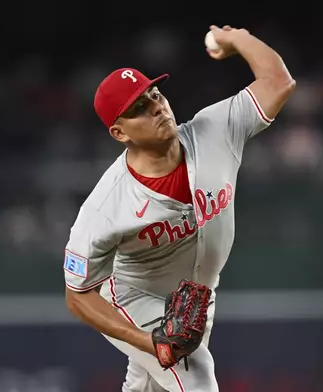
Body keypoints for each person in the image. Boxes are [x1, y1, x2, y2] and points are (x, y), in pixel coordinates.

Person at [64, 24, 295, 392]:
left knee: (150, 385)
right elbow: (77, 295)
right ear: (119, 133)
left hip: (197, 297)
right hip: (133, 297)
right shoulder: (107, 206)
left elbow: (278, 83)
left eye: (155, 94)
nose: (156, 107)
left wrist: (237, 38)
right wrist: (150, 342)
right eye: (139, 108)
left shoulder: (213, 132)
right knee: (196, 369)